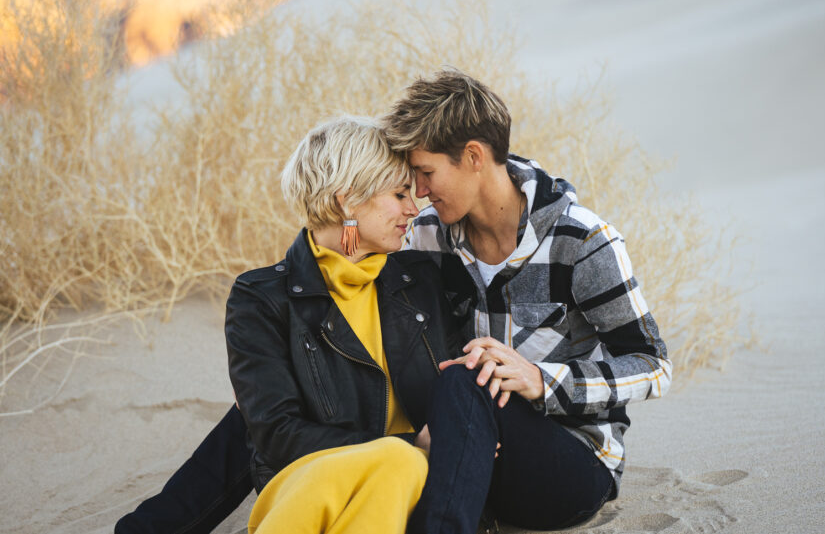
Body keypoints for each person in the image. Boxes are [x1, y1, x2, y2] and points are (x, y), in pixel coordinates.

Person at [115, 116, 471, 533]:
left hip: (418, 492)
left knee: (401, 464)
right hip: (314, 484)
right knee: (396, 458)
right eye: (398, 194)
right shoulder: (262, 298)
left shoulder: (421, 280)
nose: (414, 207)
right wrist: (408, 445)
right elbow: (276, 435)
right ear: (347, 201)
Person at [382, 69, 672, 533]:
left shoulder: (582, 241)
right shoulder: (426, 236)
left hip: (570, 461)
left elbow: (653, 366)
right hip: (465, 447)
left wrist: (542, 379)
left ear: (473, 156)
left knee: (470, 377)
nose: (419, 193)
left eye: (426, 172)